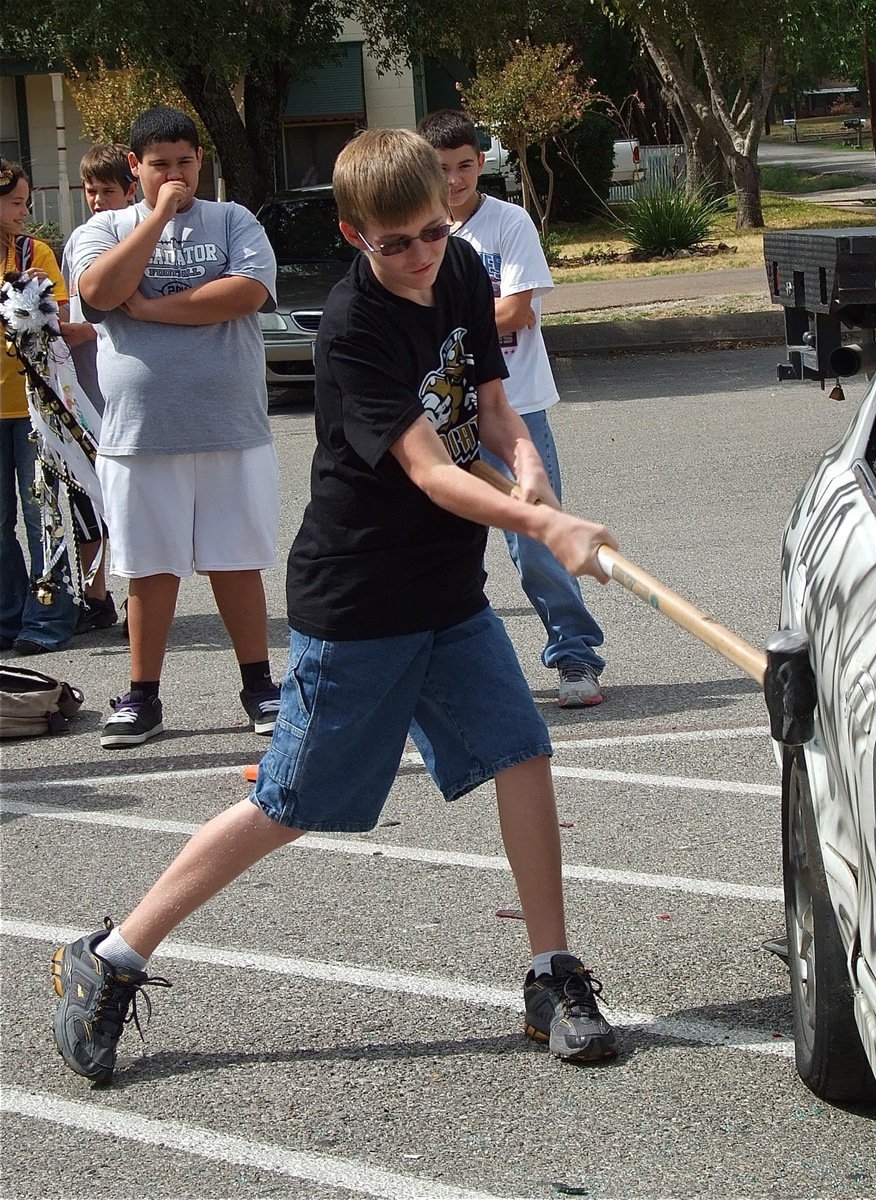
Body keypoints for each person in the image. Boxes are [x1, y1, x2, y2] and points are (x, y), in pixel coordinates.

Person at [50, 128, 620, 1084]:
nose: (420, 255)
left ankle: (550, 973)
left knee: (522, 751)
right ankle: (108, 958)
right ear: (356, 235)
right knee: (289, 802)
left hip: (447, 590)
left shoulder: (469, 270)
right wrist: (546, 532)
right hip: (357, 598)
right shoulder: (353, 328)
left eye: (432, 232)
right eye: (394, 242)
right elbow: (432, 471)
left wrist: (526, 466)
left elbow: (487, 404)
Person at [68, 107, 282, 749]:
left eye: (185, 162)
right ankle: (142, 697)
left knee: (236, 560)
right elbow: (101, 292)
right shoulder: (104, 226)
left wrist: (153, 309)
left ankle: (259, 686)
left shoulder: (232, 219)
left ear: (200, 161)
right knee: (149, 568)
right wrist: (157, 217)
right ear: (135, 168)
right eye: (159, 164)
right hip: (139, 431)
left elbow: (246, 292)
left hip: (230, 426)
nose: (175, 174)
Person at [417, 110, 608, 709]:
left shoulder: (507, 223)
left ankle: (576, 654)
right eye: (442, 169)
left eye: (465, 167)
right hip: (440, 416)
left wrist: (440, 327)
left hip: (514, 407)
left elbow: (518, 310)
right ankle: (427, 667)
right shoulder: (418, 231)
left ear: (482, 162)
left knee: (536, 543)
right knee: (432, 546)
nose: (454, 181)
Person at [0, 158, 79, 656]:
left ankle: (48, 618)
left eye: (26, 201)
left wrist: (35, 298)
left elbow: (61, 316)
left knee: (42, 511)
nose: (25, 211)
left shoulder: (37, 251)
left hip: (31, 405)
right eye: (15, 202)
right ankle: (7, 617)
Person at [61, 143, 139, 636]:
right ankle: (95, 594)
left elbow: (109, 310)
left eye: (106, 190)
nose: (95, 199)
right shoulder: (79, 241)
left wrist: (81, 326)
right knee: (84, 495)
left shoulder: (138, 236)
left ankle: (140, 597)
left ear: (130, 190)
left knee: (129, 503)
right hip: (83, 393)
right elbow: (76, 304)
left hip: (125, 395)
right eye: (89, 190)